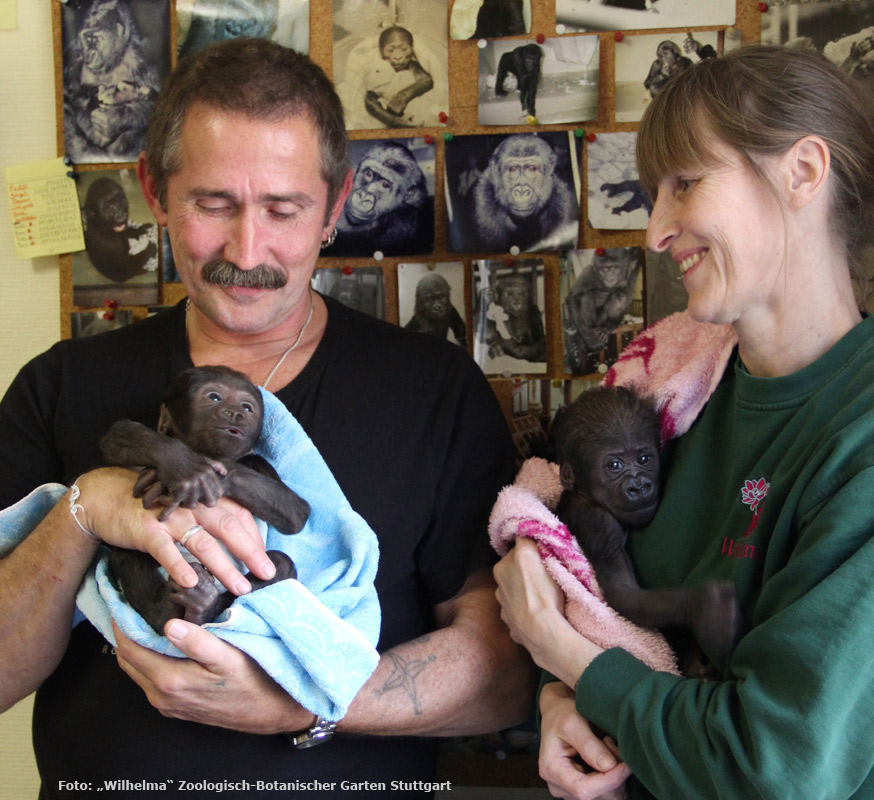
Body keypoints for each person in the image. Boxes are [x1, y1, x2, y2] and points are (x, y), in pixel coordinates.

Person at [0, 38, 535, 797]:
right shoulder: (60, 385)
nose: (247, 249)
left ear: (335, 207)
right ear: (155, 191)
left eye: (284, 209)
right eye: (213, 204)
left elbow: (506, 676)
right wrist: (83, 512)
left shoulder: (432, 390)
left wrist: (304, 699)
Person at [493, 44, 874, 799]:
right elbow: (587, 593)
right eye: (653, 193)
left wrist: (568, 658)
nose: (656, 232)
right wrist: (559, 700)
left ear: (803, 172)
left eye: (686, 183)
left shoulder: (856, 431)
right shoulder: (668, 387)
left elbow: (771, 765)